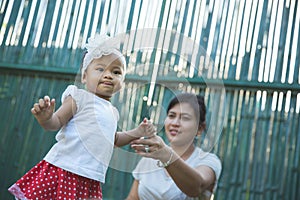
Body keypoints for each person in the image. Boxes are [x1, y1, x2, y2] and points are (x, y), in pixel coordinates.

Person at [8, 34, 156, 200]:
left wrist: (137, 132)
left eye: (116, 72)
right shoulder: (79, 97)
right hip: (65, 170)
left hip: (90, 179)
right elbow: (55, 122)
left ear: (122, 81)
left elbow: (112, 140)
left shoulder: (113, 112)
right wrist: (45, 118)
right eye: (100, 69)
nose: (108, 75)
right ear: (84, 76)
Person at [127, 93, 222, 200]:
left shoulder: (208, 160)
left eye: (185, 118)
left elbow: (196, 187)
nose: (175, 123)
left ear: (199, 128)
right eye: (171, 116)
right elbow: (132, 198)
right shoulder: (149, 159)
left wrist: (166, 155)